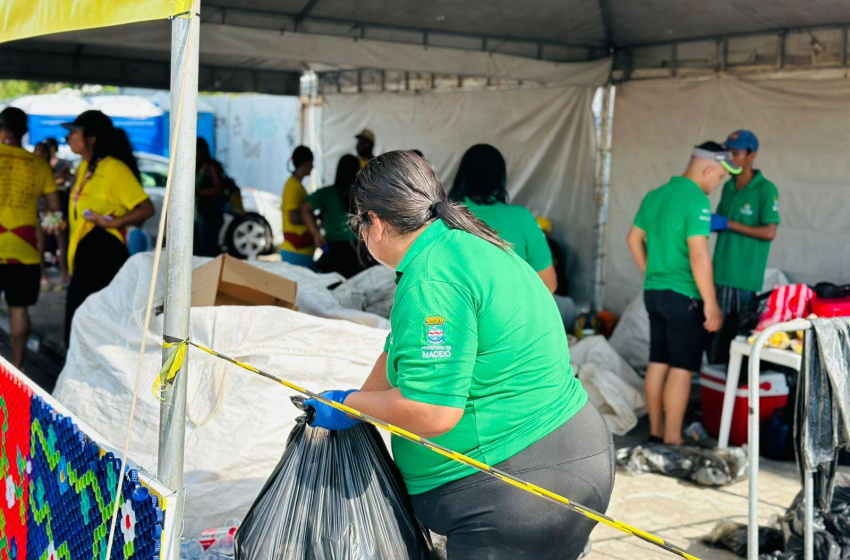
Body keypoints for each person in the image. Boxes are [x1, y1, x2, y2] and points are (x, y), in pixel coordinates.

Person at [305, 151, 614, 560]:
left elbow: (433, 412)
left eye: (358, 224)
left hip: (518, 482)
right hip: (559, 459)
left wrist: (350, 405)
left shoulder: (433, 276)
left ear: (374, 223)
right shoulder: (464, 244)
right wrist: (359, 403)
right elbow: (398, 348)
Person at [626, 142, 740, 445]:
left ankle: (656, 431)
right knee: (681, 369)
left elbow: (633, 239)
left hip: (654, 293)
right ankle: (674, 439)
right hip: (685, 297)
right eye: (719, 178)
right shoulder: (697, 202)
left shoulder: (655, 196)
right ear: (708, 169)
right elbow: (698, 256)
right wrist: (711, 303)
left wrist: (651, 271)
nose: (717, 185)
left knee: (658, 362)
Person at [62, 110, 155, 346]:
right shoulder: (86, 167)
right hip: (84, 254)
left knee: (94, 329)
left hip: (104, 253)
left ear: (92, 138)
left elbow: (146, 209)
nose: (68, 137)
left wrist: (112, 223)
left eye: (74, 132)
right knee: (79, 326)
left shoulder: (114, 169)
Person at [707, 130, 779, 362]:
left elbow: (769, 232)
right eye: (728, 152)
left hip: (744, 277)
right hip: (719, 273)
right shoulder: (727, 186)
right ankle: (715, 392)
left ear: (751, 156)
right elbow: (721, 221)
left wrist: (728, 223)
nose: (730, 157)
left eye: (736, 153)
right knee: (713, 339)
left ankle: (735, 393)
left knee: (737, 341)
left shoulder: (766, 190)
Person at [0, 108, 64, 368]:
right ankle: (16, 366)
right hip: (24, 245)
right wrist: (49, 218)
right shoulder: (39, 164)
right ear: (24, 131)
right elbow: (53, 209)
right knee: (19, 308)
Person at [448, 144, 557, 293]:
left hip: (456, 312)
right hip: (512, 313)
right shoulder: (522, 218)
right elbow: (549, 285)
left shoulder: (442, 218)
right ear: (501, 178)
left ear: (461, 177)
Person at [300, 154, 366, 278]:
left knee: (336, 288)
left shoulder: (327, 193)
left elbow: (305, 208)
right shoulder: (363, 194)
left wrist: (316, 235)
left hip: (334, 251)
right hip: (358, 249)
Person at [280, 145, 316, 267]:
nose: (313, 166)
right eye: (311, 162)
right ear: (306, 163)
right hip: (296, 251)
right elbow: (293, 217)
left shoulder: (296, 185)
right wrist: (312, 219)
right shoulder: (293, 187)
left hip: (300, 250)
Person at [194, 137, 225, 257]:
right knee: (199, 248)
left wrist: (199, 193)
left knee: (208, 249)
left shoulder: (211, 167)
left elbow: (218, 189)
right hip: (199, 215)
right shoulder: (196, 167)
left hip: (210, 214)